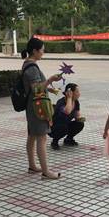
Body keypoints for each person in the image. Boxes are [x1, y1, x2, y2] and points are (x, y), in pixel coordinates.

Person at [21, 38, 63, 179]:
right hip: (37, 107)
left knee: (32, 136)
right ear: (35, 51)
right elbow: (36, 88)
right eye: (42, 50)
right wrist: (50, 80)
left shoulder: (28, 64)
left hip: (32, 105)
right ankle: (46, 172)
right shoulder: (32, 67)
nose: (43, 53)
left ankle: (32, 166)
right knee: (41, 137)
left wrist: (49, 88)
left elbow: (36, 86)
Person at [49, 83, 85, 150]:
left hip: (65, 124)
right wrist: (69, 98)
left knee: (80, 124)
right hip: (54, 127)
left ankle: (68, 139)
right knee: (63, 127)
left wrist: (80, 119)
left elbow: (77, 116)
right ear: (70, 93)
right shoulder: (61, 102)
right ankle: (55, 141)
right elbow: (67, 111)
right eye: (77, 92)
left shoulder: (76, 102)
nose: (79, 94)